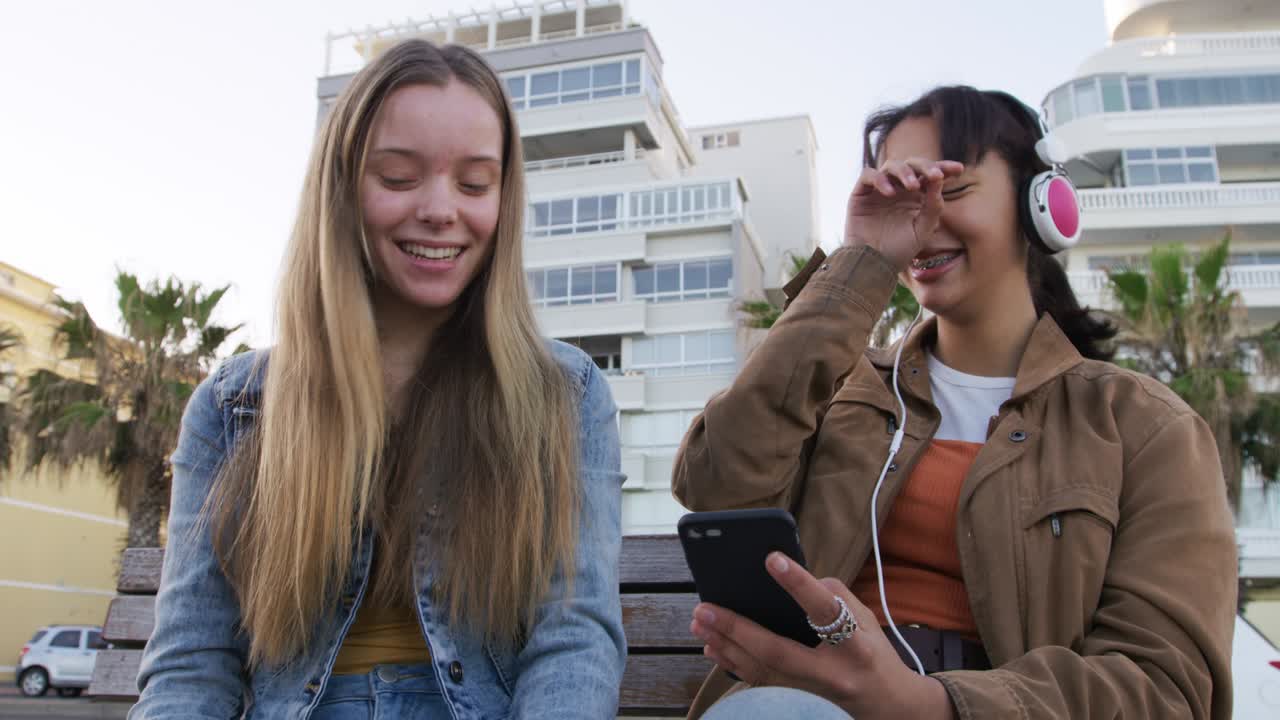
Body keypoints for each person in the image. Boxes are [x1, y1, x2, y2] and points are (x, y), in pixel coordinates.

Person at [674, 85, 1237, 720]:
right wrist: (860, 261)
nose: (922, 217)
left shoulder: (1144, 426)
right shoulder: (838, 384)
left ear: (1039, 204)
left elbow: (1163, 687)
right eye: (899, 190)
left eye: (952, 186)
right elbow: (713, 482)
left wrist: (927, 704)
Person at [131, 39, 626, 720]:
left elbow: (573, 642)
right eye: (398, 178)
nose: (440, 209)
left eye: (475, 183)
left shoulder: (564, 395)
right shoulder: (234, 406)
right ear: (341, 190)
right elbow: (192, 666)